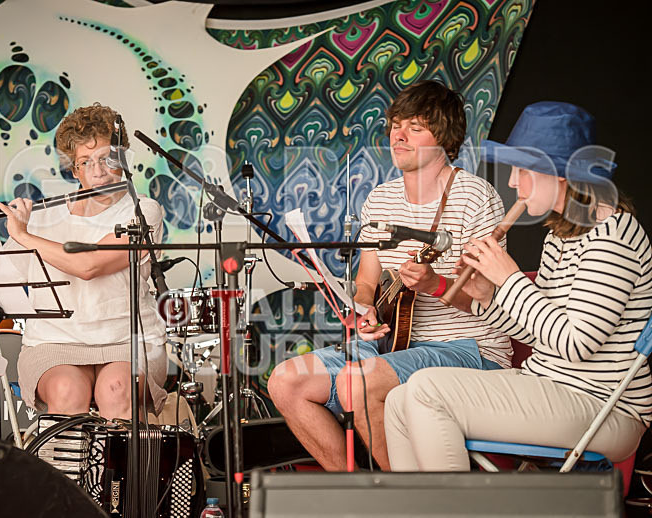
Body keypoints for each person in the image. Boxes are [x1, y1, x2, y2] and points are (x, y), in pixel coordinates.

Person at [384, 101, 652, 471]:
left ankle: (454, 503)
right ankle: (420, 502)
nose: (512, 182)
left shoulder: (612, 235)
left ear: (560, 173)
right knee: (398, 400)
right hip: (550, 385)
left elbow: (577, 344)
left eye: (522, 170)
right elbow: (539, 333)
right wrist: (487, 297)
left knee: (427, 390)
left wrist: (509, 279)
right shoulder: (561, 236)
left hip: (604, 406)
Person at [267, 80, 511, 470]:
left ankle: (400, 497)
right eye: (396, 125)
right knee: (285, 381)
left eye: (415, 127)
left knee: (357, 381)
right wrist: (363, 308)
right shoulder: (381, 199)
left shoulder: (475, 197)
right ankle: (357, 493)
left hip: (471, 350)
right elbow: (367, 281)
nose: (399, 135)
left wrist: (436, 284)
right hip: (396, 346)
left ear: (445, 138)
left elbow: (494, 300)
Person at [0, 103, 168, 419]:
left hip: (129, 340)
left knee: (117, 389)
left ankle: (120, 455)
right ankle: (65, 456)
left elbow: (89, 266)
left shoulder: (143, 211)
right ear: (74, 169)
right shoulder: (43, 216)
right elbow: (0, 279)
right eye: (85, 162)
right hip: (54, 342)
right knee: (66, 391)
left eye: (107, 159)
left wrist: (24, 235)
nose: (98, 171)